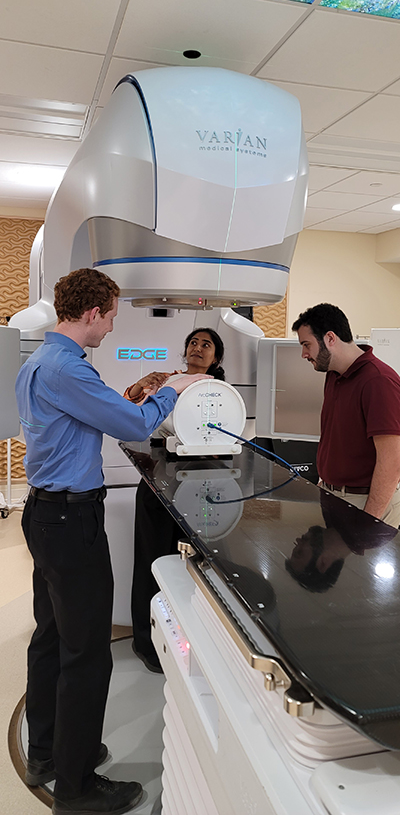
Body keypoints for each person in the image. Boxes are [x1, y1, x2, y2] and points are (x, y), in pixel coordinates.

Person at [15, 268, 191, 815]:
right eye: (112, 315)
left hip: (44, 515)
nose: (112, 326)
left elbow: (79, 419)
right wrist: (171, 391)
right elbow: (136, 426)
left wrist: (123, 400)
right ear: (92, 313)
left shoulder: (39, 363)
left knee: (51, 638)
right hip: (71, 524)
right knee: (86, 653)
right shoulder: (68, 368)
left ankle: (47, 751)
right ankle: (76, 784)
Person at [125, 328, 225, 673]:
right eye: (193, 343)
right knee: (150, 563)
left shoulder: (218, 392)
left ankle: (188, 642)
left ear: (217, 358)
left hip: (200, 486)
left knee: (191, 570)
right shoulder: (168, 381)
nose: (197, 348)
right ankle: (147, 644)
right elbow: (129, 411)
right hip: (158, 480)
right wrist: (141, 386)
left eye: (206, 345)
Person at [292, 303, 400, 528]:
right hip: (334, 496)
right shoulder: (333, 375)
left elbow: (392, 462)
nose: (303, 354)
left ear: (330, 338)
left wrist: (369, 521)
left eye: (306, 345)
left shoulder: (378, 381)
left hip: (365, 502)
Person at [286, 490, 398, 592]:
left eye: (296, 545)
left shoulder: (333, 525)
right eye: (300, 552)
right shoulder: (373, 534)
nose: (298, 540)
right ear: (323, 563)